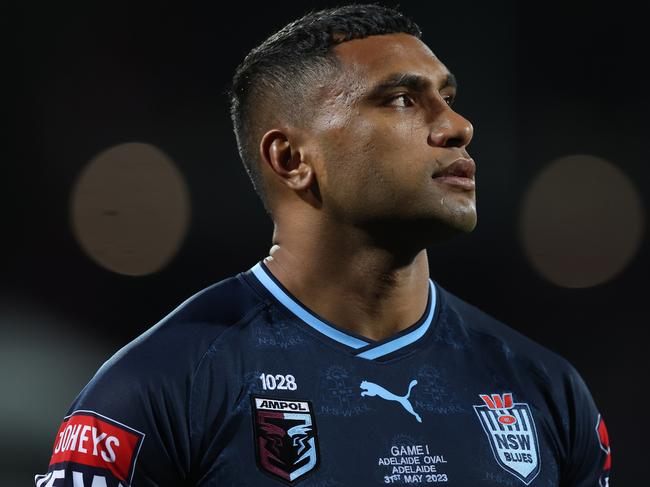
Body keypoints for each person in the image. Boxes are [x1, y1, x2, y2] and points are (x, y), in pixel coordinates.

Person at [36, 3, 612, 486]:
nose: (457, 125)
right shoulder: (160, 388)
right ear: (291, 160)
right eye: (402, 100)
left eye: (447, 95)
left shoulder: (542, 389)